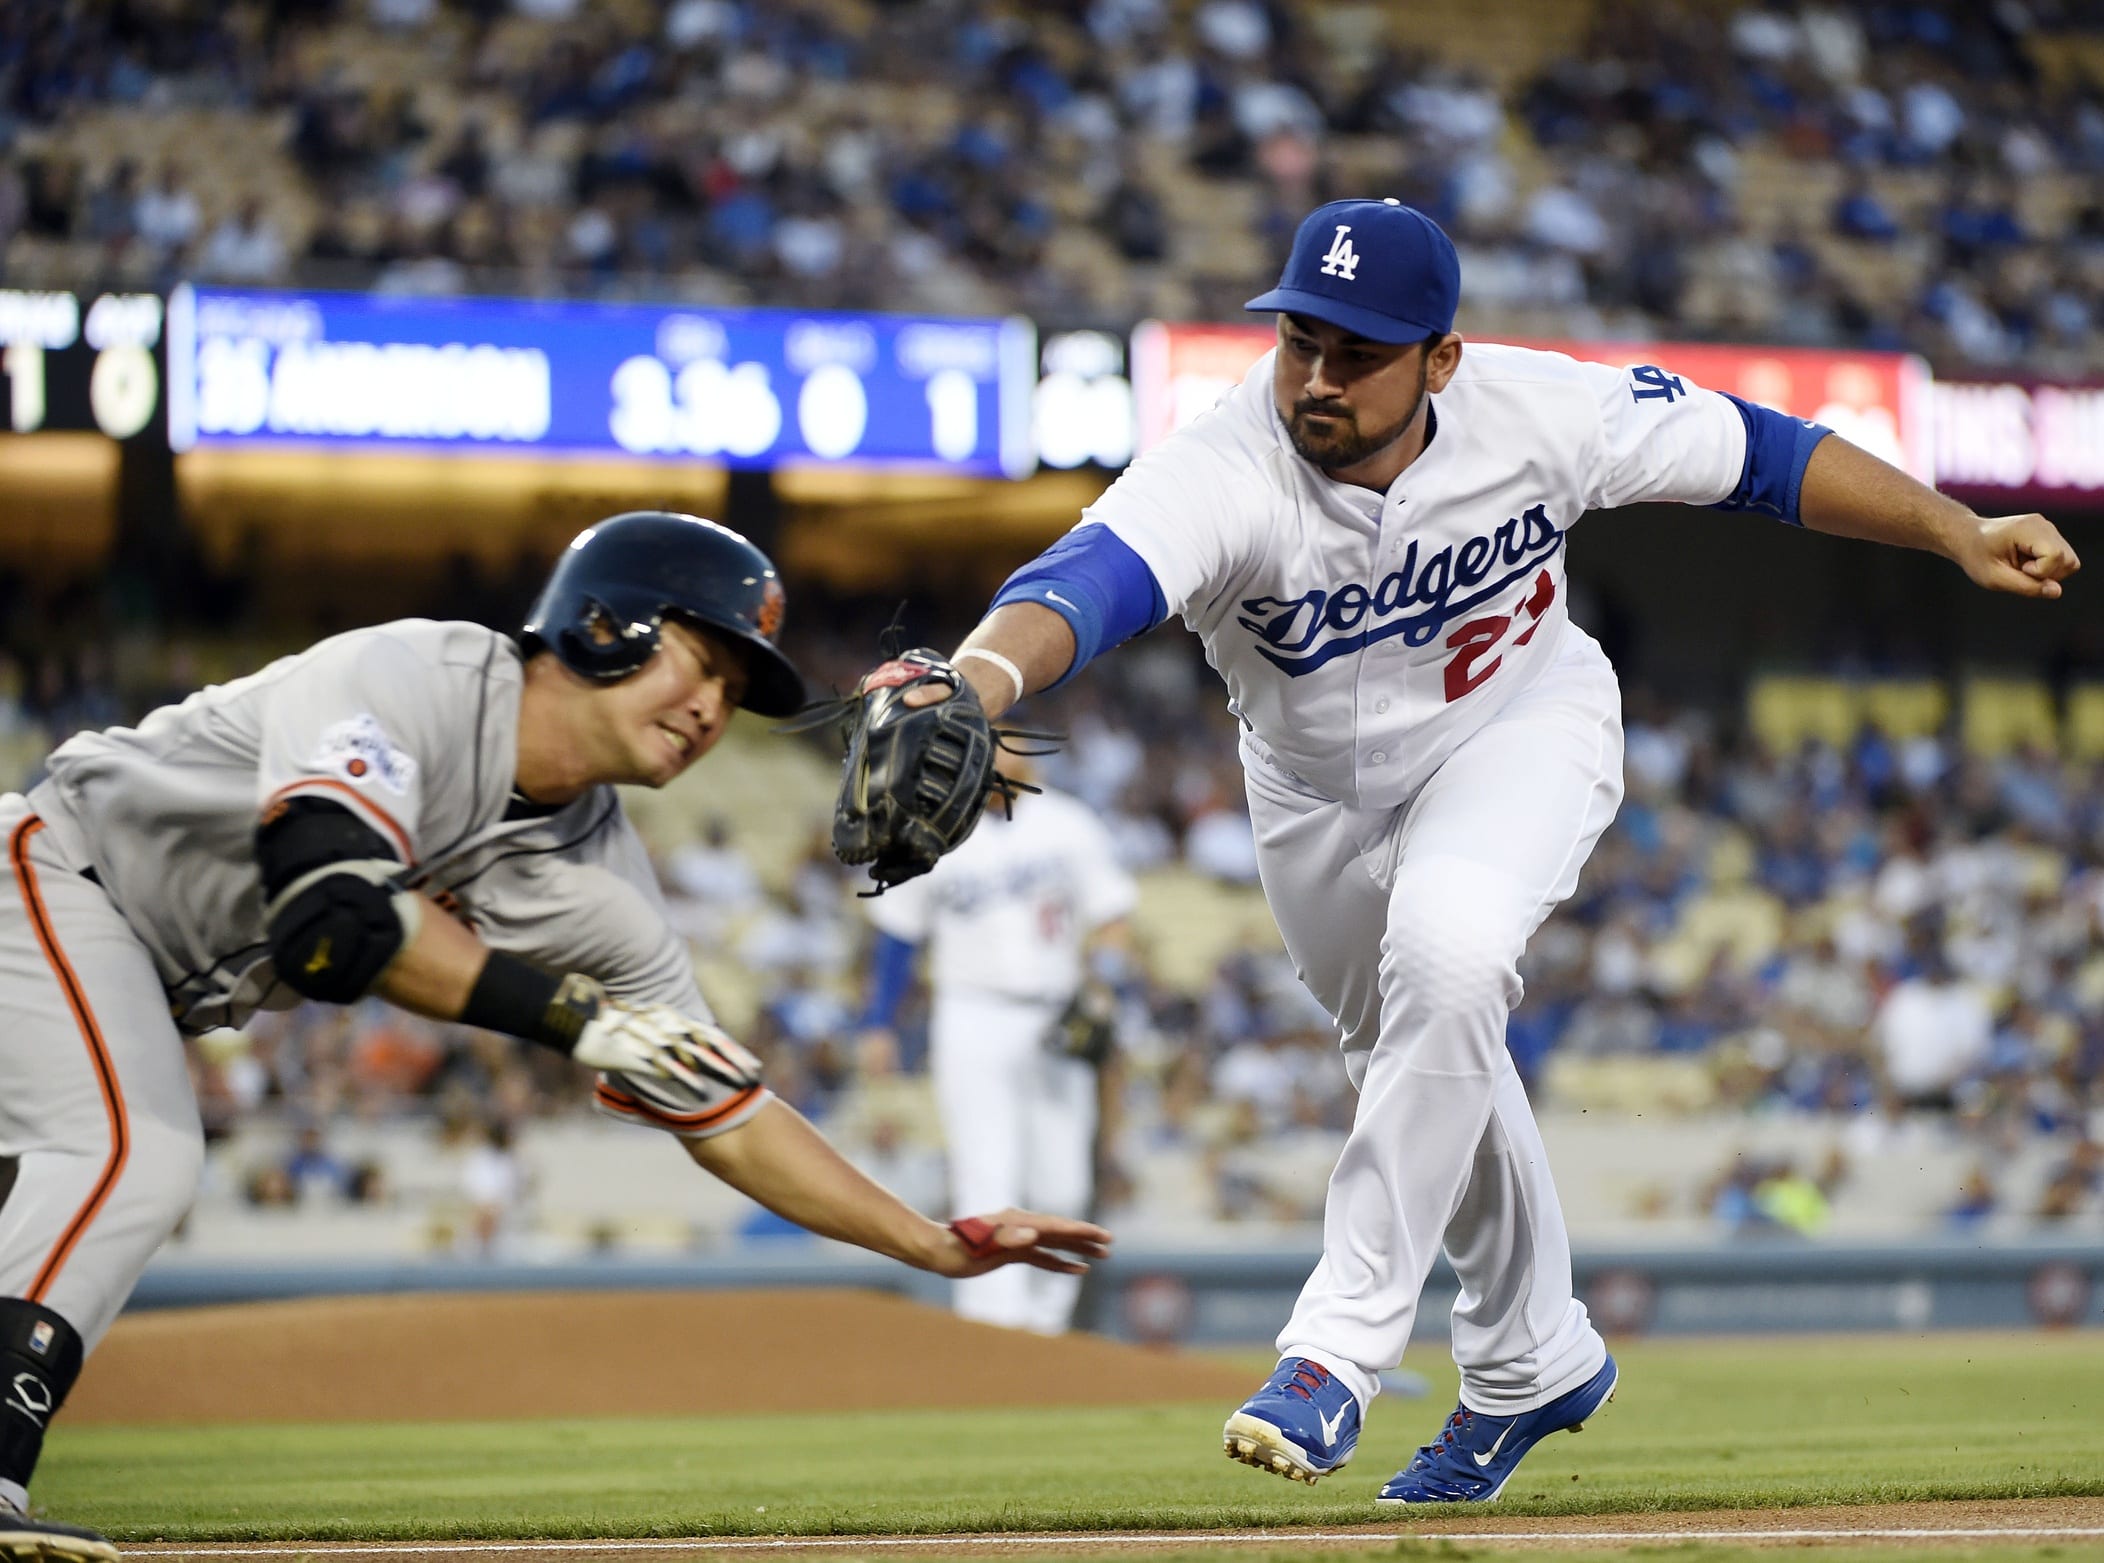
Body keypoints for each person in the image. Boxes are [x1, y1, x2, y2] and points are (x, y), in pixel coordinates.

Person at [861, 200, 2079, 1505]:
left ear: (1441, 358)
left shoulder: (1538, 409)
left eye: (1360, 351)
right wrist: (981, 679)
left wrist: (1956, 528)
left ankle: (1333, 1355)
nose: (1319, 377)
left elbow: (1764, 456)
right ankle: (1531, 1358)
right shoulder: (1224, 466)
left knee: (1449, 956)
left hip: (1519, 726)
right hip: (1313, 795)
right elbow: (1085, 582)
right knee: (1426, 1053)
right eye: (1301, 340)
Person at [0, 512, 1110, 1561]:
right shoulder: (415, 675)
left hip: (137, 977)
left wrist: (929, 1243)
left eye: (736, 692)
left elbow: (722, 1112)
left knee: (103, 1151)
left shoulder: (599, 886)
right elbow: (330, 920)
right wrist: (582, 1023)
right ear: (603, 624)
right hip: (55, 868)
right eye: (702, 661)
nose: (713, 708)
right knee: (129, 1148)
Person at [858, 757, 1137, 1334]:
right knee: (985, 1170)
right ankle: (993, 1324)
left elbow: (1112, 916)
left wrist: (1103, 984)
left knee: (1063, 1182)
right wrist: (880, 1022)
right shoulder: (929, 825)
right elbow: (897, 936)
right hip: (971, 1010)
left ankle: (1046, 1327)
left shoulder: (1067, 823)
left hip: (1058, 1015)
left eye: (1006, 740)